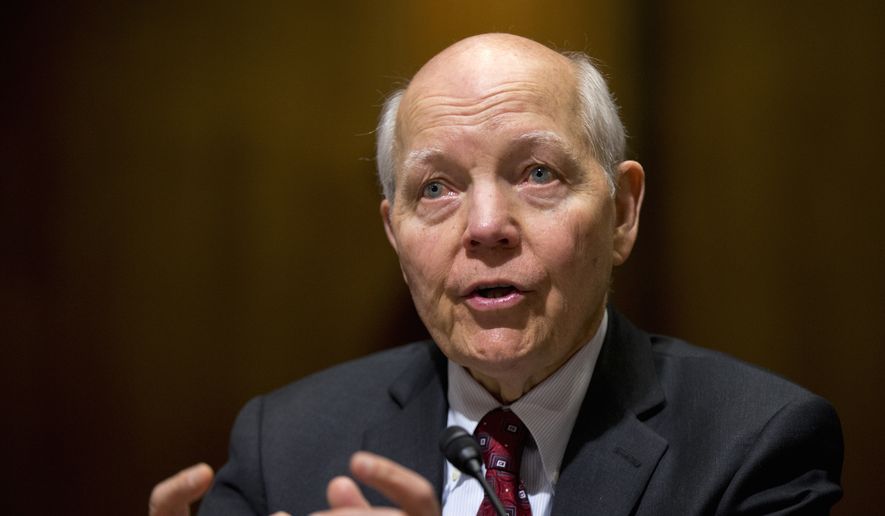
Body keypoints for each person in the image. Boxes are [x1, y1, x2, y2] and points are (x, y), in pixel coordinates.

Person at [149, 33, 843, 516]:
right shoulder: (284, 443)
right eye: (436, 188)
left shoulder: (755, 444)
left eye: (537, 174)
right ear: (395, 234)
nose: (485, 225)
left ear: (623, 213)